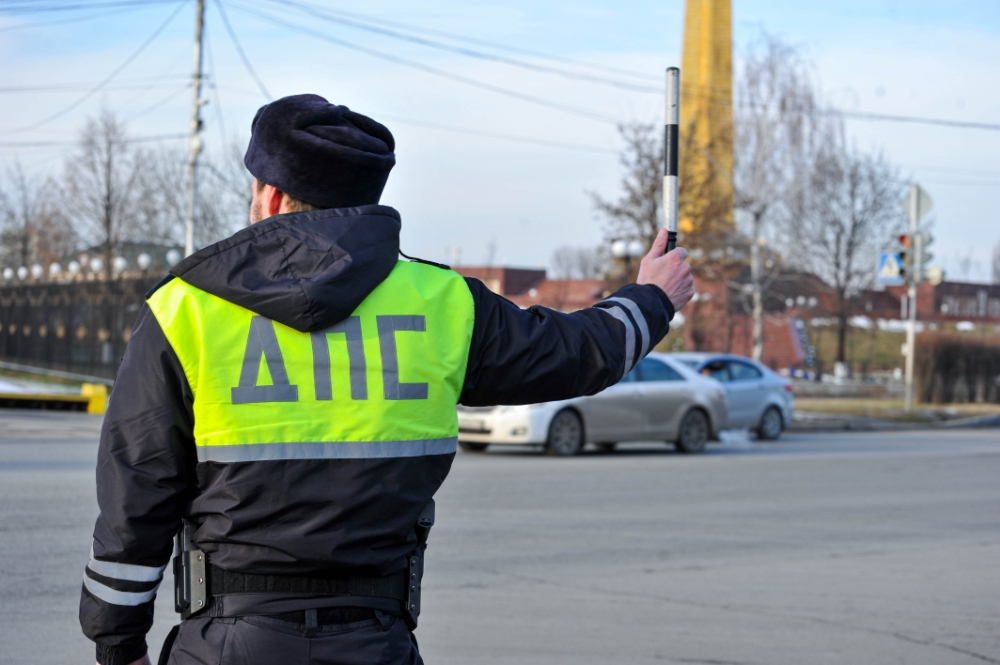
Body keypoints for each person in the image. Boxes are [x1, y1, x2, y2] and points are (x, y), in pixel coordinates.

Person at [79, 94, 694, 665]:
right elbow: (579, 353)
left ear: (271, 198)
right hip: (376, 641)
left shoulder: (185, 310)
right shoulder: (445, 304)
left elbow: (137, 493)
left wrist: (118, 643)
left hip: (227, 643)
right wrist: (653, 297)